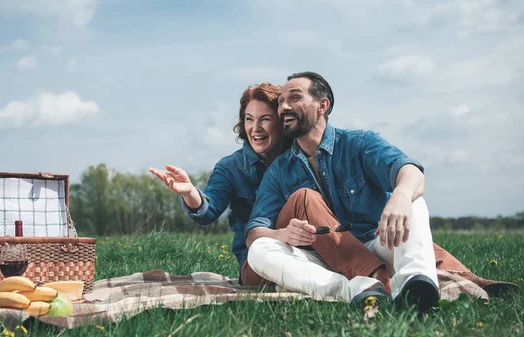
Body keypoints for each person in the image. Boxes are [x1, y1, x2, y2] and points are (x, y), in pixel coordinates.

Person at [245, 71, 516, 312]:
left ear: (322, 106)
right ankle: (358, 289)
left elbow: (411, 173)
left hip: (378, 242)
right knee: (260, 250)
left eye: (294, 98)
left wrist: (399, 196)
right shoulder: (279, 170)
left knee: (413, 199)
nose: (283, 107)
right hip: (324, 259)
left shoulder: (360, 143)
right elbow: (254, 232)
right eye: (280, 101)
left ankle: (414, 285)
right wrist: (283, 234)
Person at [149, 82, 387, 304]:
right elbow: (208, 211)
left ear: (282, 122)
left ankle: (387, 275)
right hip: (257, 261)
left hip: (307, 251)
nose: (255, 128)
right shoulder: (231, 167)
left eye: (265, 119)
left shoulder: (304, 155)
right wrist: (191, 192)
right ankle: (379, 278)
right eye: (249, 119)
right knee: (302, 199)